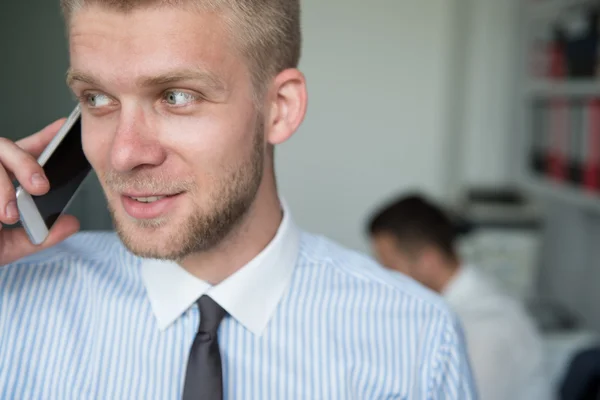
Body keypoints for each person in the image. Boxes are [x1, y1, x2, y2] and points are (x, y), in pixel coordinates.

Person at [0, 1, 477, 399]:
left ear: (280, 108)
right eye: (97, 98)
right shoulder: (12, 302)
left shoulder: (416, 340)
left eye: (177, 96)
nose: (124, 155)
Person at [367, 193, 551, 400]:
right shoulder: (443, 307)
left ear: (428, 261)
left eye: (390, 266)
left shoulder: (485, 327)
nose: (383, 277)